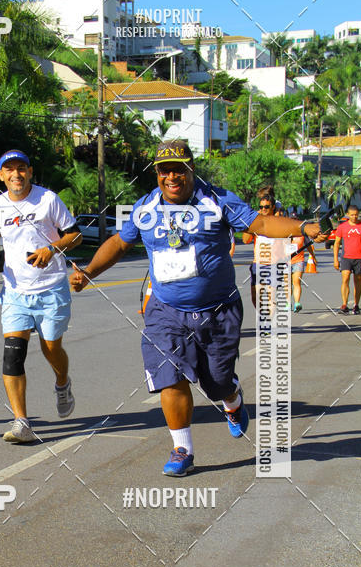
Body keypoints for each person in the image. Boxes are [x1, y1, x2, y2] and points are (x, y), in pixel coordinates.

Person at [70, 139, 327, 476]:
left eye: (178, 169)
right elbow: (120, 243)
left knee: (217, 382)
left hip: (218, 310)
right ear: (156, 174)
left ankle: (232, 398)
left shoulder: (217, 200)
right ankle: (182, 449)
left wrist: (301, 227)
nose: (171, 177)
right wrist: (89, 272)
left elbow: (261, 225)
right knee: (169, 377)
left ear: (191, 168)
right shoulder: (146, 207)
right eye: (164, 170)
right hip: (165, 310)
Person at [0, 149, 82, 443]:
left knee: (51, 348)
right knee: (12, 354)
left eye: (21, 168)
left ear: (29, 172)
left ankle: (62, 383)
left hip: (51, 288)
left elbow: (75, 235)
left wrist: (51, 249)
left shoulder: (48, 199)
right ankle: (22, 422)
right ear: (1, 175)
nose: (16, 174)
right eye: (9, 169)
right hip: (16, 292)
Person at [242, 185, 276, 309]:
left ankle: (270, 321)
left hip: (274, 263)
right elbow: (245, 240)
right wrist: (252, 221)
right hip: (258, 264)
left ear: (273, 207)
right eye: (261, 207)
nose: (263, 209)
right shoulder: (256, 221)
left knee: (272, 297)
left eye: (266, 207)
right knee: (256, 297)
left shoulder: (278, 220)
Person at [333, 204, 361, 314]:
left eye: (356, 215)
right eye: (352, 215)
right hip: (346, 257)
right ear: (347, 214)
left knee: (358, 281)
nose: (354, 217)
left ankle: (356, 305)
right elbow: (337, 243)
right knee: (345, 279)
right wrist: (335, 259)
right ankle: (344, 305)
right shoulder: (342, 227)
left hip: (360, 258)